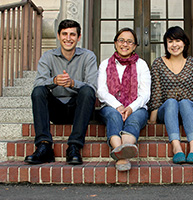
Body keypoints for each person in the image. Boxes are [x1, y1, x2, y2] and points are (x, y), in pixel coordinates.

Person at [24, 19, 98, 165]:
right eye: (64, 34)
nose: (68, 38)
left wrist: (72, 83)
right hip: (56, 109)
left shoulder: (88, 56)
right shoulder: (48, 56)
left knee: (88, 91)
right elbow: (38, 83)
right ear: (58, 36)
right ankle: (44, 145)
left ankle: (74, 146)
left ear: (79, 37)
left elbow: (93, 87)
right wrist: (54, 81)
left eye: (72, 34)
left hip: (78, 109)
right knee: (38, 91)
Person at [148, 26, 193, 164]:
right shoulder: (158, 63)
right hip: (167, 110)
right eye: (170, 41)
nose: (174, 45)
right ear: (165, 45)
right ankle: (176, 147)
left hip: (190, 109)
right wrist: (152, 119)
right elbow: (156, 93)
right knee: (171, 102)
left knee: (185, 102)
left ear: (185, 43)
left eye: (178, 40)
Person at [97, 28, 150, 171]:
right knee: (114, 116)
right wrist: (118, 106)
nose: (124, 44)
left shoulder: (141, 65)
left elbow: (145, 94)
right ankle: (122, 154)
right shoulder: (105, 64)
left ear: (134, 46)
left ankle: (122, 152)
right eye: (121, 40)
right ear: (115, 43)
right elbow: (101, 91)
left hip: (137, 107)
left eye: (129, 41)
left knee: (134, 118)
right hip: (110, 107)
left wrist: (131, 107)